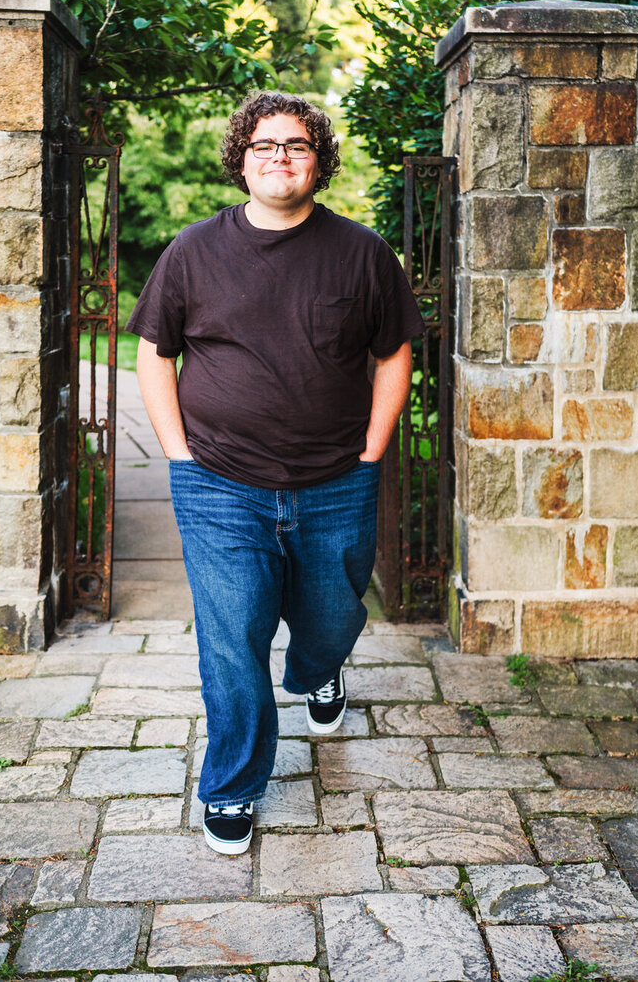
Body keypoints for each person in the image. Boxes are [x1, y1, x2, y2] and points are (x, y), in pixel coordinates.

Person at [126, 91, 424, 854]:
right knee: (232, 638)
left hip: (337, 481)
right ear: (241, 159)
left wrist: (372, 450)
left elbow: (394, 353)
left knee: (331, 615)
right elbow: (155, 354)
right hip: (220, 483)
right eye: (264, 145)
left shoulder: (361, 253)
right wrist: (179, 455)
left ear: (318, 160)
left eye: (295, 144)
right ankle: (231, 786)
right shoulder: (193, 251)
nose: (280, 156)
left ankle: (320, 670)